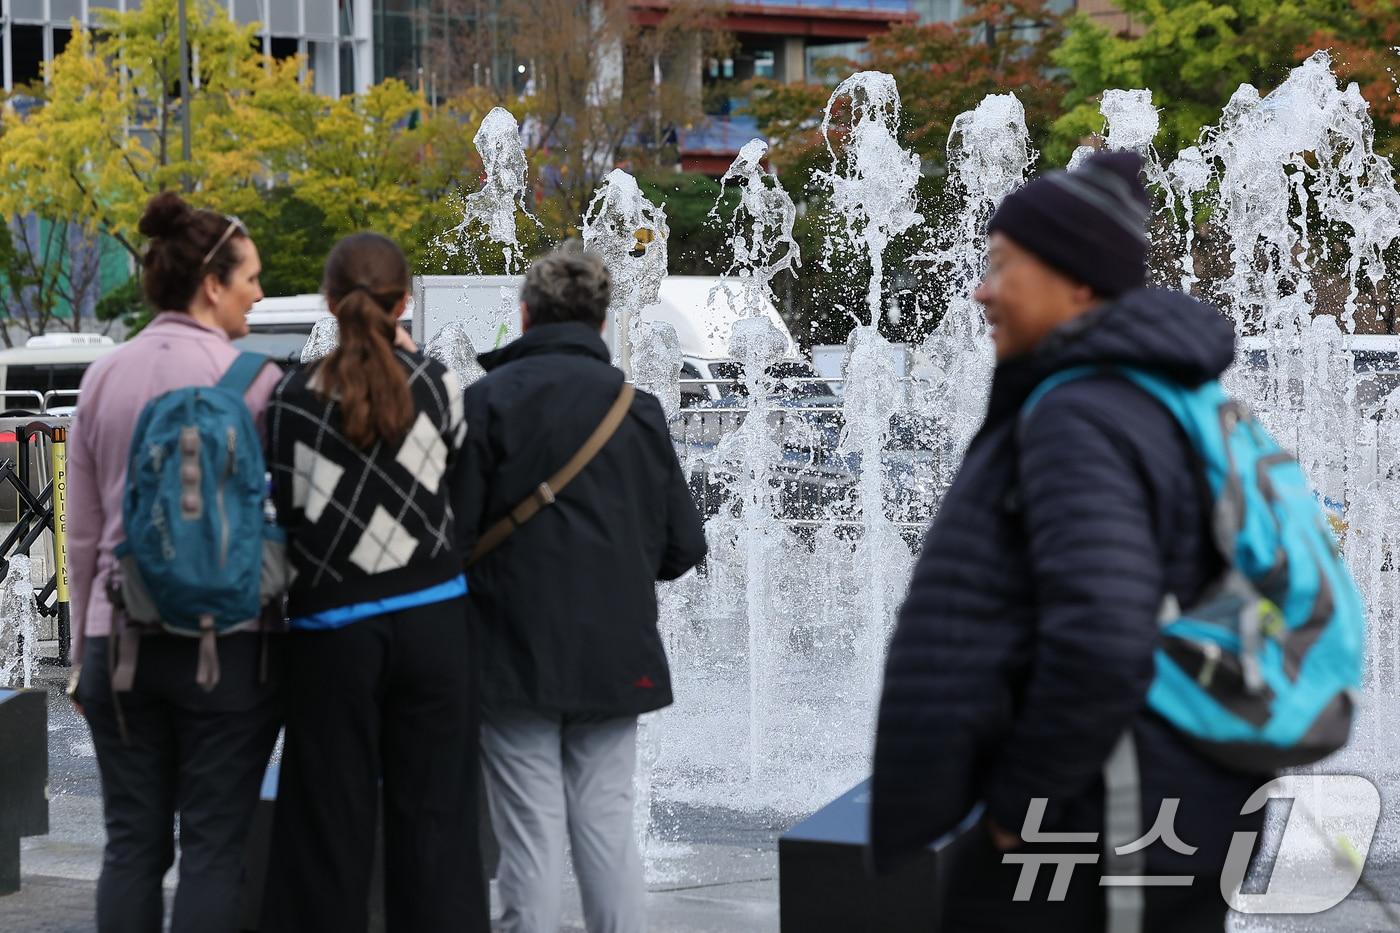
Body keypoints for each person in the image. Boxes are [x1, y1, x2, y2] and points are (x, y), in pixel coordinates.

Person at [869, 151, 1267, 931]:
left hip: (1108, 805)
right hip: (1174, 789)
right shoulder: (1160, 395)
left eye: (1002, 266)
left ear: (1077, 281)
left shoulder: (1079, 412)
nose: (982, 290)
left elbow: (1103, 634)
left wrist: (1023, 806)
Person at [459, 242, 707, 933]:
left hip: (510, 652)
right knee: (607, 828)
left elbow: (452, 536)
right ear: (602, 322)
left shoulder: (484, 403)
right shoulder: (637, 409)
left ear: (525, 313)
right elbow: (685, 544)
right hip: (613, 653)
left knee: (528, 837)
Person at [67, 192, 284, 933]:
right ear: (212, 283)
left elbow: (85, 535)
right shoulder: (256, 381)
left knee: (131, 845)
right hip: (230, 641)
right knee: (214, 850)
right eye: (250, 277)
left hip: (118, 639)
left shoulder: (103, 377)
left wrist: (80, 655)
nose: (259, 292)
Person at [259, 232, 488, 933]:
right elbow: (459, 494)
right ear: (403, 304)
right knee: (439, 824)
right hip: (435, 627)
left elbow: (288, 514)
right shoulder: (442, 387)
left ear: (330, 303)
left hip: (333, 633)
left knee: (325, 825)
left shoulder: (291, 398)